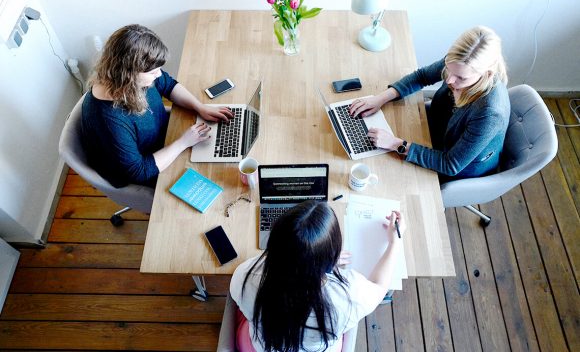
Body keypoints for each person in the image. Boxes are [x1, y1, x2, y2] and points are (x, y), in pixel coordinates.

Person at [230, 200, 405, 352]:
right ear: (332, 256)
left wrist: (307, 259)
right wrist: (394, 242)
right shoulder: (349, 296)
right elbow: (379, 286)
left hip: (259, 346)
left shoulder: (245, 274)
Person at [349, 26, 510, 181]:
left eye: (461, 78)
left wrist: (395, 143)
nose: (449, 80)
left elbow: (450, 164)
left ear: (487, 74)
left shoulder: (489, 113)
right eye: (449, 69)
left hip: (455, 167)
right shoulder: (459, 61)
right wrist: (380, 98)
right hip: (435, 131)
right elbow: (422, 77)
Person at [81, 24, 233, 188]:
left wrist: (199, 107)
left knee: (220, 154)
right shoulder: (108, 120)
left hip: (166, 138)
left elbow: (168, 85)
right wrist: (183, 143)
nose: (158, 74)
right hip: (148, 166)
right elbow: (138, 171)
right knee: (216, 176)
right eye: (153, 72)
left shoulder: (131, 80)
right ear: (128, 74)